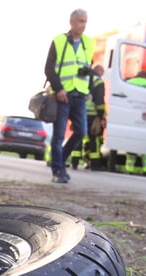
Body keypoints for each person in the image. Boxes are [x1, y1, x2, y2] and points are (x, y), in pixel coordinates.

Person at [44, 8, 96, 184]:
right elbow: (49, 68)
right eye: (80, 21)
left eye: (85, 21)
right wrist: (59, 89)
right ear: (72, 22)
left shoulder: (89, 43)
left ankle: (59, 160)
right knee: (59, 135)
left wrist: (88, 88)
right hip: (62, 96)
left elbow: (88, 67)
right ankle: (57, 171)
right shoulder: (59, 41)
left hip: (79, 95)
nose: (83, 25)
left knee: (81, 131)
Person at [76, 64, 106, 170]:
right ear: (99, 71)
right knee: (94, 139)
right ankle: (95, 164)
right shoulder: (98, 81)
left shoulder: (83, 78)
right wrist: (101, 115)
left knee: (78, 136)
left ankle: (74, 162)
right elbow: (99, 100)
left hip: (79, 112)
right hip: (92, 115)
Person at [124, 70, 146, 175]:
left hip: (131, 115)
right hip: (145, 117)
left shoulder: (129, 83)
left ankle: (129, 169)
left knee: (130, 145)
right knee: (145, 145)